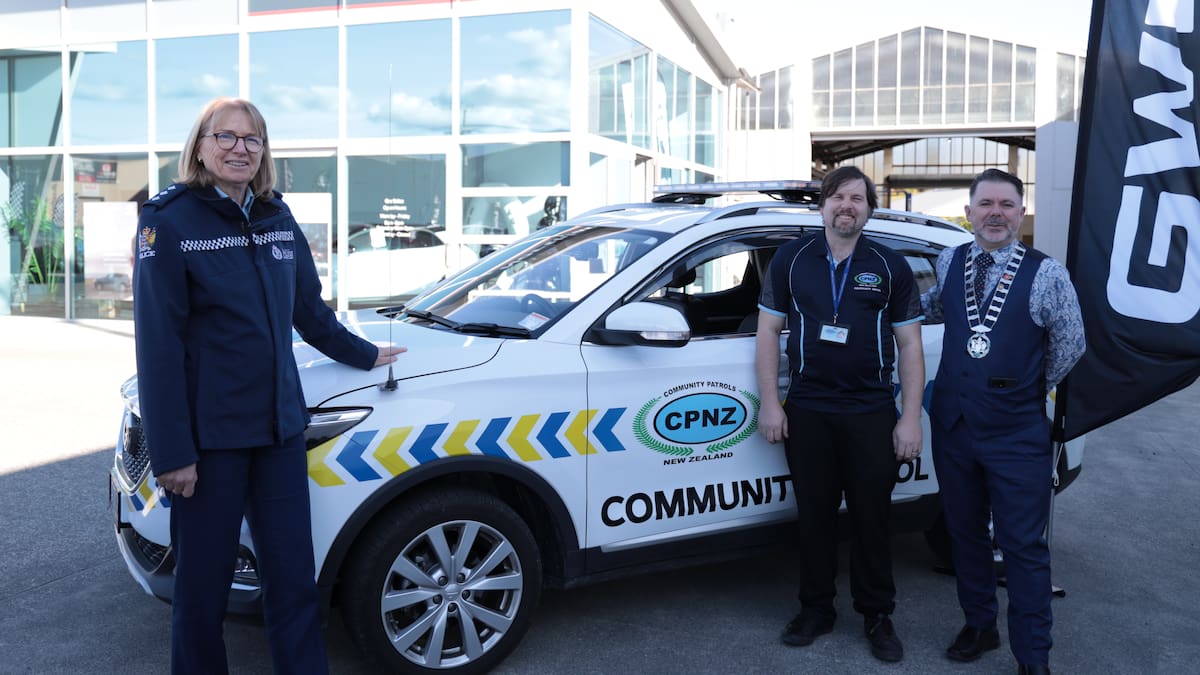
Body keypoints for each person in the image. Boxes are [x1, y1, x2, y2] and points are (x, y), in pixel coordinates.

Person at [133, 97, 405, 674]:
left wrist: (365, 354)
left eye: (252, 140)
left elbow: (310, 311)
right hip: (210, 443)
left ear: (264, 152)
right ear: (201, 146)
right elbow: (158, 348)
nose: (240, 149)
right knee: (202, 594)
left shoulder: (276, 218)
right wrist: (173, 452)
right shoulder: (169, 221)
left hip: (281, 431)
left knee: (293, 582)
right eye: (226, 137)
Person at [755, 165, 925, 663]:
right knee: (814, 516)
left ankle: (877, 614)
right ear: (823, 205)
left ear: (869, 209)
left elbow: (911, 345)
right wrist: (771, 401)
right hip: (808, 409)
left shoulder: (890, 265)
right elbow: (768, 333)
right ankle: (816, 609)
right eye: (837, 196)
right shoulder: (791, 259)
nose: (846, 205)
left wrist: (909, 417)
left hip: (871, 410)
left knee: (873, 518)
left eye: (857, 197)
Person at [923, 168, 1085, 675]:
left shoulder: (1047, 273)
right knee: (965, 534)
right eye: (986, 204)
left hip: (1016, 433)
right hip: (953, 426)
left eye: (1007, 205)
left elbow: (1070, 346)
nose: (996, 213)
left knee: (1023, 546)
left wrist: (1024, 385)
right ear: (968, 213)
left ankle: (1033, 655)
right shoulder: (949, 260)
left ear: (1021, 213)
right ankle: (980, 625)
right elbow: (932, 309)